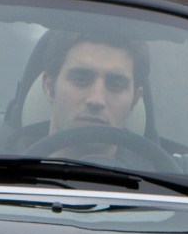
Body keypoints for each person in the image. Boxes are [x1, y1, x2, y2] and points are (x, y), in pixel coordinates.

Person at [12, 32, 152, 164]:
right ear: (49, 87)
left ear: (135, 100)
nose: (96, 100)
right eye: (80, 79)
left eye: (116, 85)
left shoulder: (159, 178)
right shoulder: (1, 171)